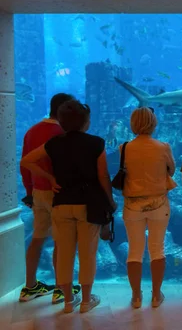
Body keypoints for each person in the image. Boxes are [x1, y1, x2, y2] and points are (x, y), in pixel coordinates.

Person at [21, 100, 116, 314]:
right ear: (86, 122)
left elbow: (27, 160)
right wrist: (110, 200)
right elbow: (103, 175)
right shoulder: (97, 143)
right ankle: (86, 300)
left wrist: (49, 178)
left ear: (62, 122)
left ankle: (67, 301)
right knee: (87, 253)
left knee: (64, 253)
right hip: (87, 205)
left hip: (62, 203)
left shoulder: (54, 143)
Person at [19, 93, 81, 304]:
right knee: (60, 241)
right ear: (63, 109)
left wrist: (29, 190)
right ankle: (60, 288)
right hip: (57, 193)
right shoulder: (61, 132)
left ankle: (29, 286)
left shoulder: (31, 131)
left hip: (37, 191)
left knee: (37, 238)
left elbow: (24, 164)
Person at [120, 107, 176, 309]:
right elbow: (171, 169)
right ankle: (156, 295)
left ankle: (136, 297)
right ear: (154, 123)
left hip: (132, 205)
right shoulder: (163, 147)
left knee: (134, 251)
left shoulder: (124, 148)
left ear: (133, 123)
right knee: (157, 249)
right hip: (159, 203)